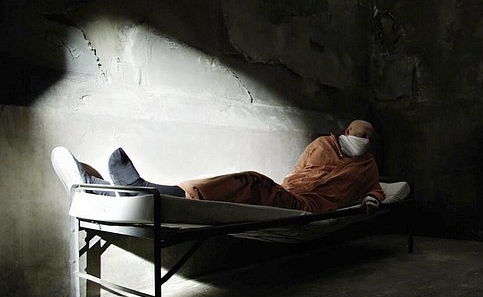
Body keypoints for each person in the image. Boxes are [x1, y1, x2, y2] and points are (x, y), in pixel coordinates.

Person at [54, 120, 385, 213]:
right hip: (291, 194)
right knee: (251, 184)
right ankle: (104, 189)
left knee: (251, 180)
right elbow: (297, 174)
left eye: (370, 138)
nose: (365, 140)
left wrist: (371, 199)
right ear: (347, 131)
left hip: (307, 208)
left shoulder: (367, 166)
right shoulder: (323, 144)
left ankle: (147, 191)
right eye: (361, 134)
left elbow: (375, 189)